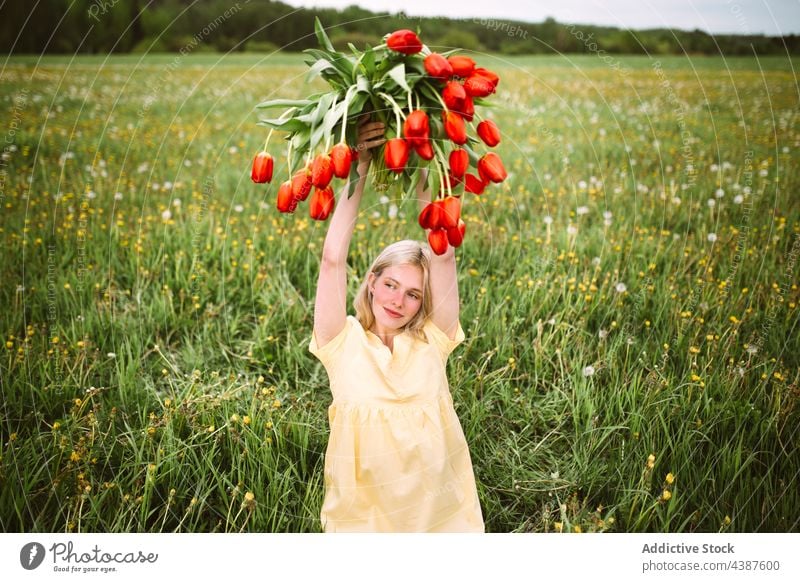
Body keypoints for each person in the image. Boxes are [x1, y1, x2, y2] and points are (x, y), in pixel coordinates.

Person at [308, 115, 484, 533]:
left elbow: (443, 254)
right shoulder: (340, 342)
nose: (397, 301)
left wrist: (422, 153)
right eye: (390, 284)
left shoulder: (432, 340)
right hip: (363, 523)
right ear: (371, 282)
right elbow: (333, 258)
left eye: (413, 294)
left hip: (442, 521)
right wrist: (361, 163)